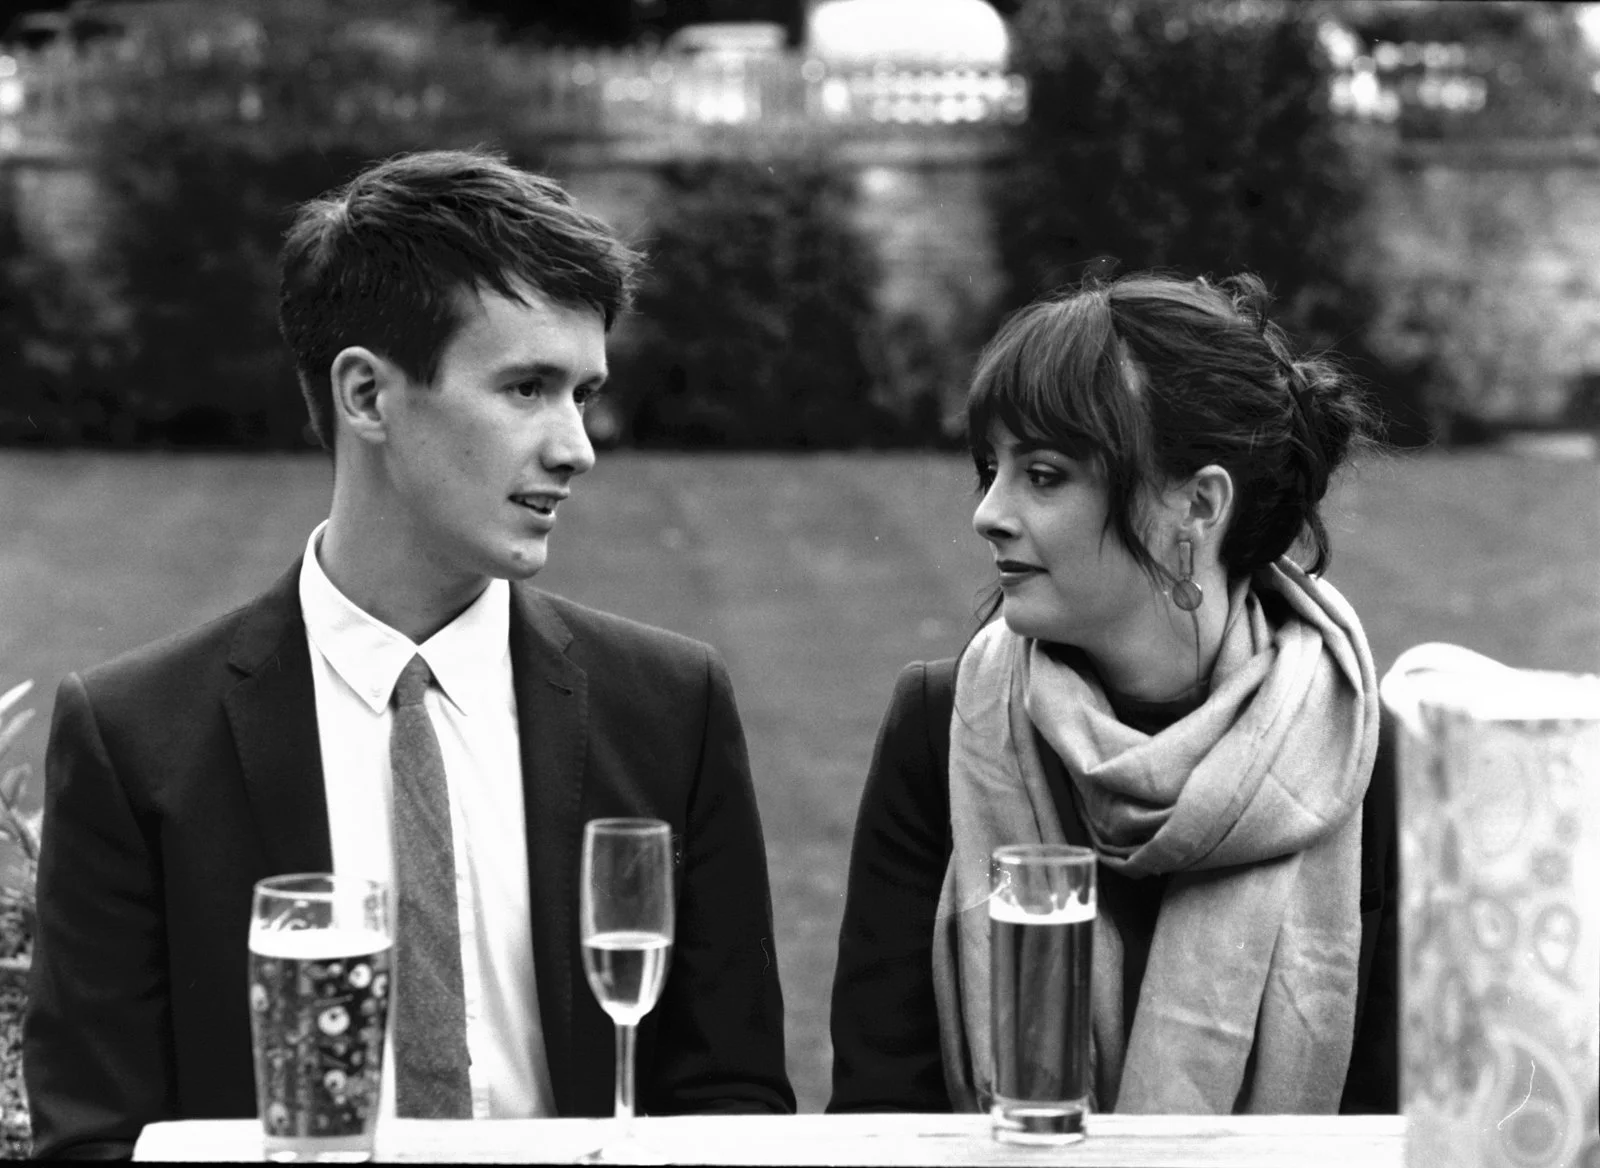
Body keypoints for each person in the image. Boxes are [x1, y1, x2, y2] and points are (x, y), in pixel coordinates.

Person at [25, 149, 795, 1160]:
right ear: (367, 396)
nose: (577, 445)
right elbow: (93, 1137)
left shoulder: (668, 708)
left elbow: (730, 1103)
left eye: (582, 391)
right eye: (527, 387)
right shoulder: (136, 740)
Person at [828, 272, 1398, 1116]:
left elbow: (1405, 1119)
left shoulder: (1358, 751)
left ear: (1197, 505)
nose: (989, 511)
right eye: (993, 467)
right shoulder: (939, 726)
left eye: (1045, 475)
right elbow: (880, 1109)